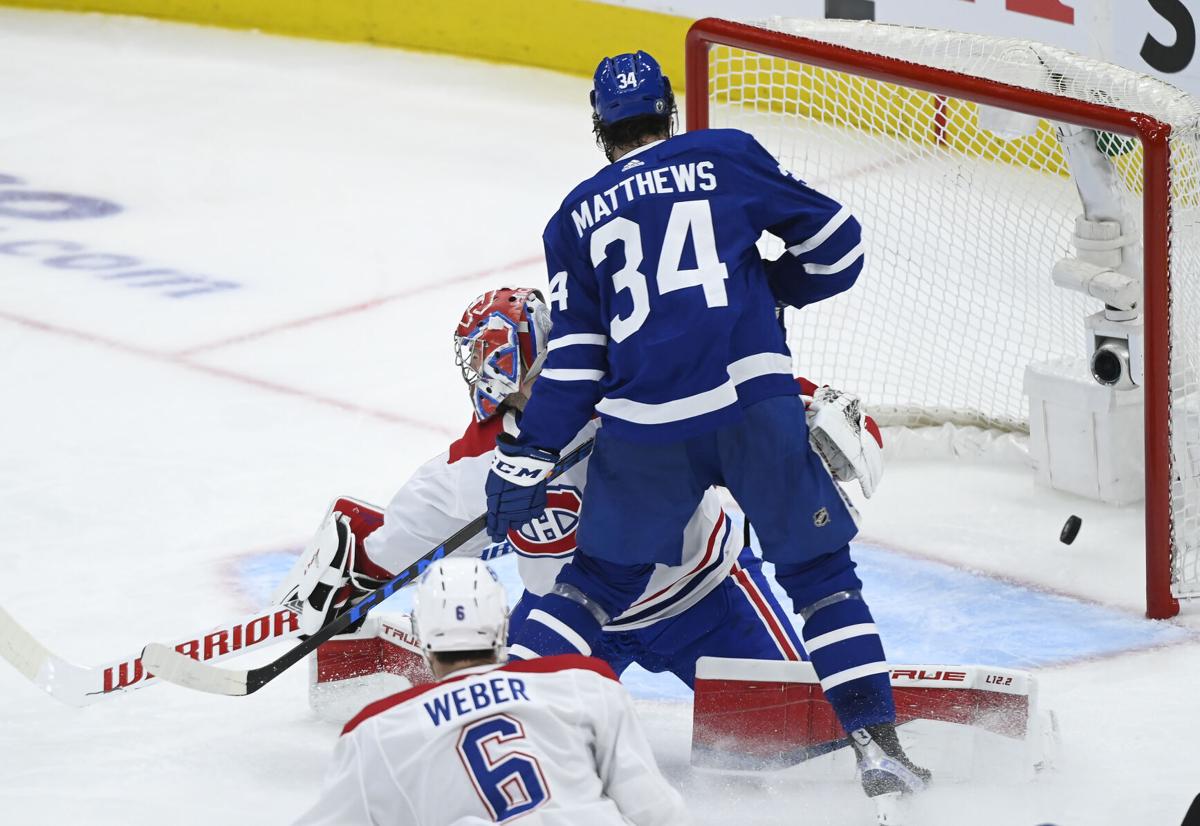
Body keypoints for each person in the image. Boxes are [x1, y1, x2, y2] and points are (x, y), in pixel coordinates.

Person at [483, 51, 929, 804]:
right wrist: (769, 289)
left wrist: (528, 454)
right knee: (821, 581)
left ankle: (496, 728)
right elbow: (841, 248)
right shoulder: (725, 155)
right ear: (671, 111)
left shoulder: (573, 217)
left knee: (591, 587)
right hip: (752, 403)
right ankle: (879, 751)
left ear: (600, 127)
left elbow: (577, 359)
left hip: (644, 429)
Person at [278, 286, 812, 696]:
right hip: (570, 614)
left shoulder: (634, 395)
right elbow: (413, 528)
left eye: (505, 360)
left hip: (701, 596)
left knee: (788, 732)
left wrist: (808, 405)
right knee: (510, 730)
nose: (496, 376)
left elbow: (725, 390)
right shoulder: (479, 462)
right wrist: (353, 574)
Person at [294, 557, 688, 826]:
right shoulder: (586, 683)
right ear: (503, 627)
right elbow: (656, 810)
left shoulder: (377, 732)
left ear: (423, 636)